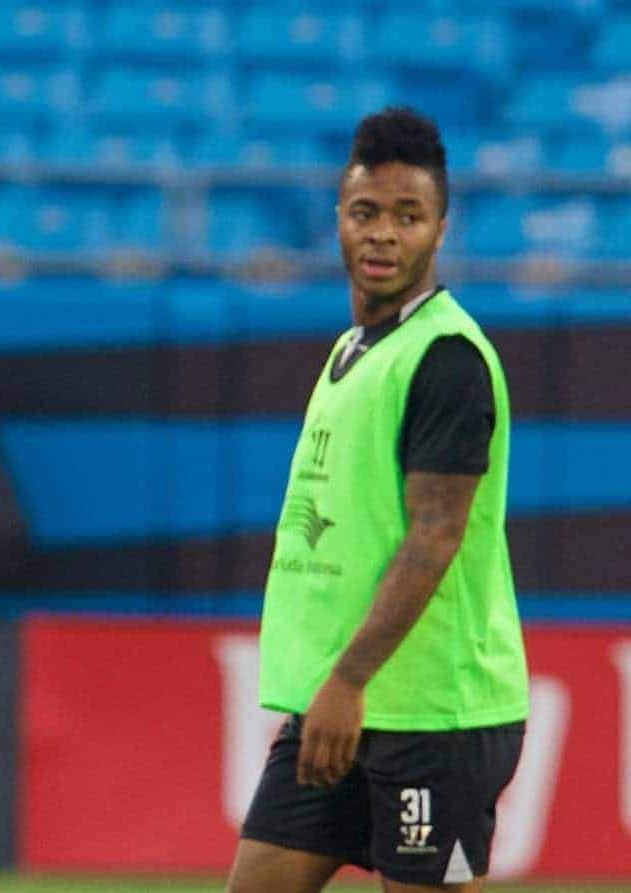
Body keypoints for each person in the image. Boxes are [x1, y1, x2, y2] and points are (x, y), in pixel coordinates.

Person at [227, 107, 529, 893]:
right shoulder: (352, 350)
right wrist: (333, 690)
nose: (384, 234)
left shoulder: (448, 357)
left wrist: (348, 681)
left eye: (408, 215)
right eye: (366, 212)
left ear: (440, 226)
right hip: (342, 703)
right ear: (338, 220)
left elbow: (436, 536)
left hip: (431, 711)